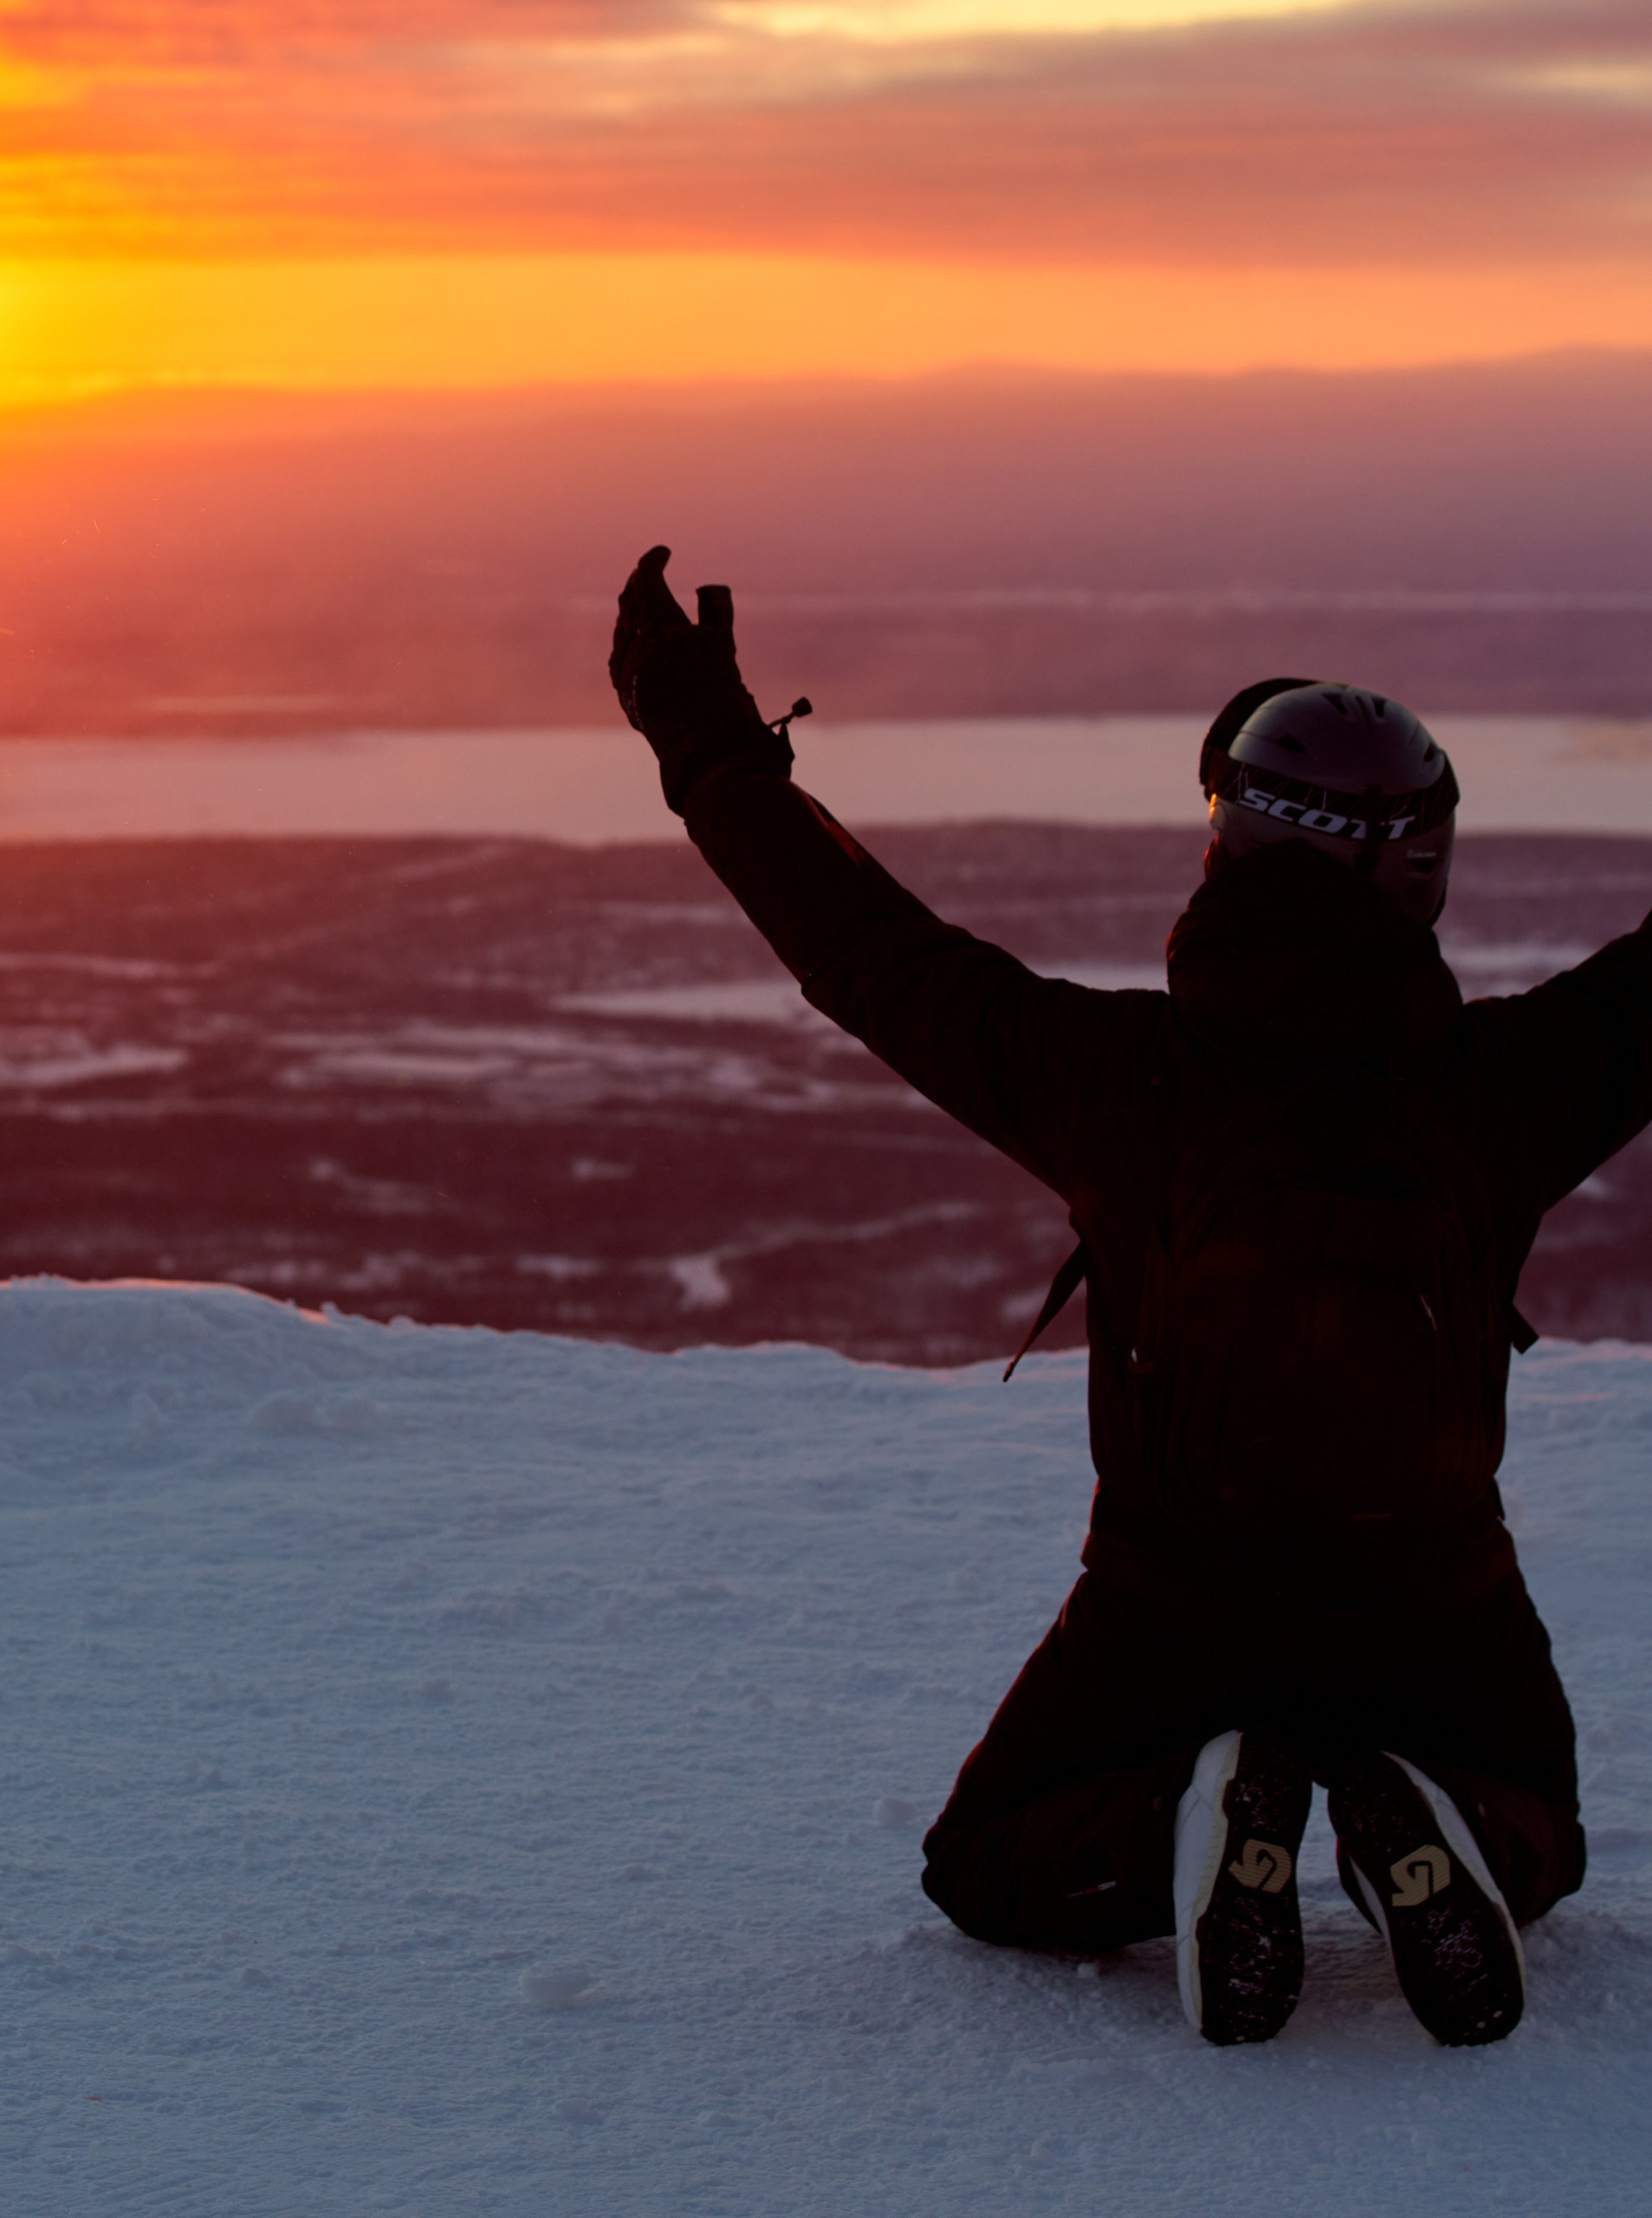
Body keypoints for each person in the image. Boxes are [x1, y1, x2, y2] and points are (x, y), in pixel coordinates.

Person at [608, 543, 1652, 2048]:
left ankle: (1198, 1822)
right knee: (1532, 1831)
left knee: (985, 1863)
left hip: (1175, 1602)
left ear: (1231, 843)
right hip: (1440, 1603)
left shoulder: (1118, 1084)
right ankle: (1431, 1824)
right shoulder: (1508, 1091)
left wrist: (703, 742)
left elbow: (867, 954)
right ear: (1424, 865)